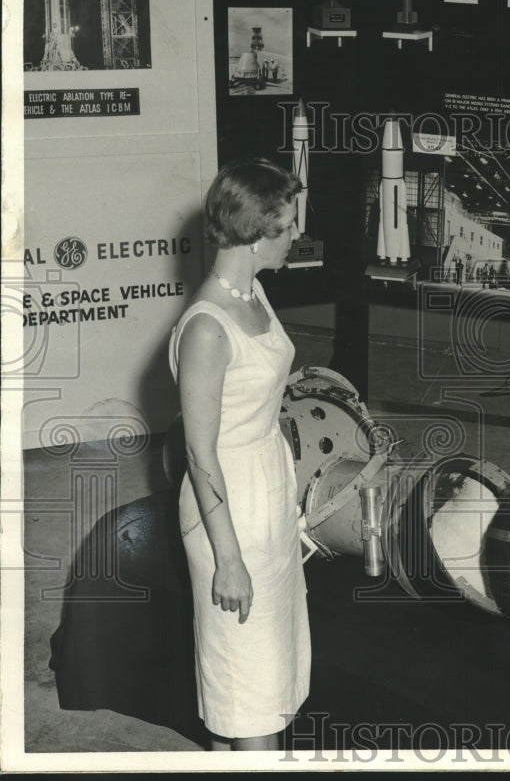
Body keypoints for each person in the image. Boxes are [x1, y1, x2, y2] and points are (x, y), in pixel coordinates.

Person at [168, 158, 310, 749]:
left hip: (266, 494)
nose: (297, 234)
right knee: (246, 691)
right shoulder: (207, 328)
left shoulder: (251, 292)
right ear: (256, 235)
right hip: (226, 511)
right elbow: (200, 454)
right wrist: (228, 559)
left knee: (266, 677)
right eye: (289, 224)